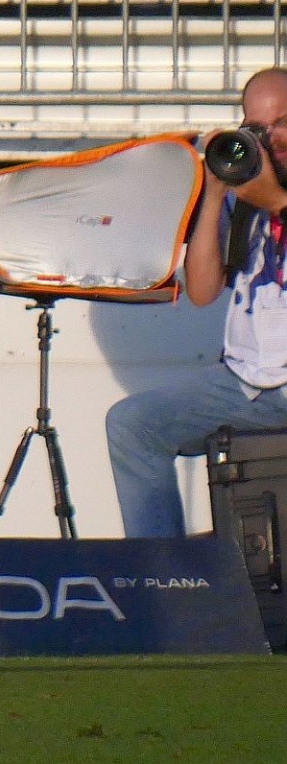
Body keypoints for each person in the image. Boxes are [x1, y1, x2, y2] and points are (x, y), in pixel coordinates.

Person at [107, 67, 287, 537]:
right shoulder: (246, 197)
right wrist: (214, 192)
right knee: (132, 425)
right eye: (257, 128)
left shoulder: (267, 196)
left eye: (282, 123)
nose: (270, 140)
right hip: (246, 382)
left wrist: (276, 203)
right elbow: (203, 291)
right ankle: (163, 571)